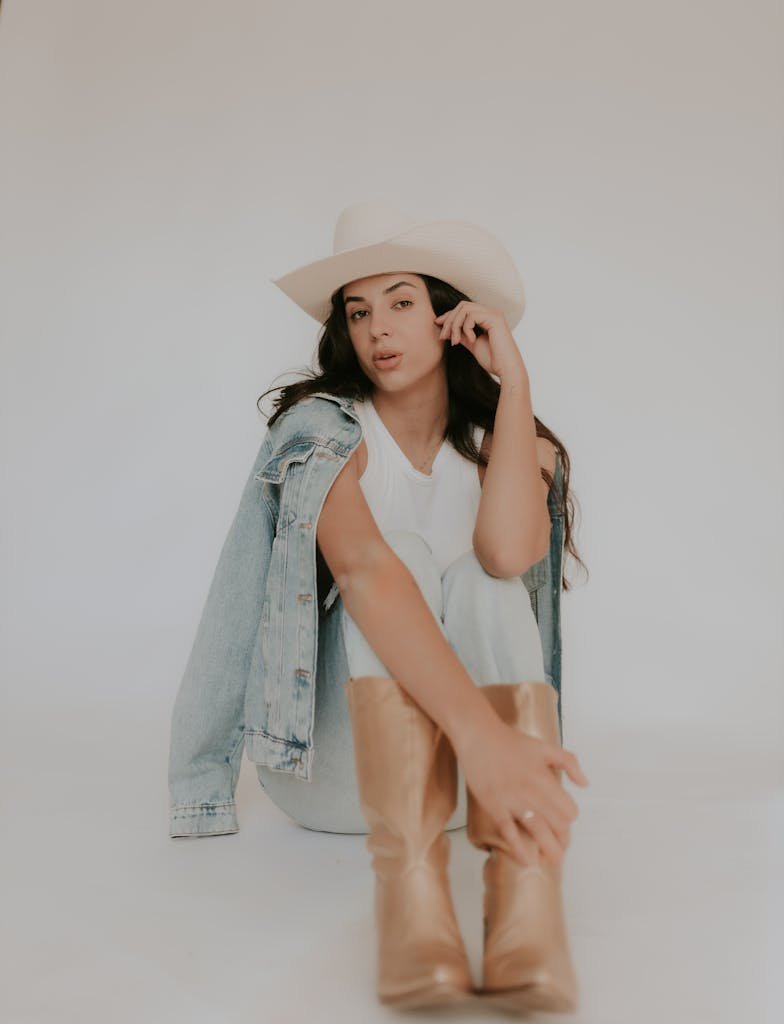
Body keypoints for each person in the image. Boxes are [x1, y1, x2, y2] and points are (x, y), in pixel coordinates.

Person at [168, 200, 590, 1014]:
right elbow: (362, 571)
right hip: (341, 773)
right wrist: (484, 737)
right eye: (358, 312)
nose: (377, 331)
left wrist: (517, 387)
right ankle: (415, 912)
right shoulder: (320, 429)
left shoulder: (512, 442)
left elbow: (508, 555)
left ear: (450, 320)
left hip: (478, 783)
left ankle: (528, 912)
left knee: (481, 575)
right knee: (406, 556)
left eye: (401, 302)